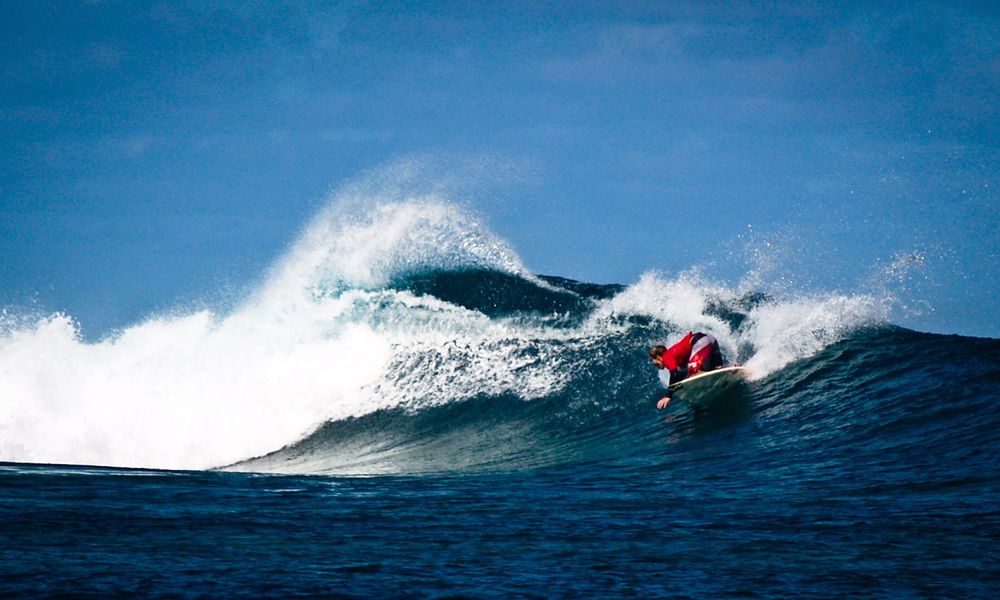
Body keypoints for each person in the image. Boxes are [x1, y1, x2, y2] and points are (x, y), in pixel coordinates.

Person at [649, 331, 724, 410]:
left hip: (700, 341)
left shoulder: (666, 356)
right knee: (716, 369)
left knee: (694, 375)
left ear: (658, 357)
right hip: (710, 339)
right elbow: (679, 375)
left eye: (654, 362)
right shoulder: (677, 357)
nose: (655, 365)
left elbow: (674, 373)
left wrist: (668, 396)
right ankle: (730, 368)